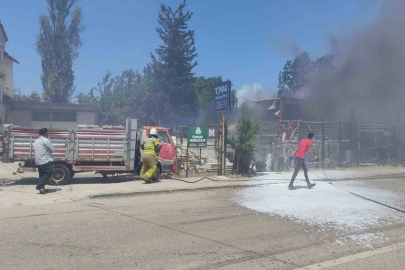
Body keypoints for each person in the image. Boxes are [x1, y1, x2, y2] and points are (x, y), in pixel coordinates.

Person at [33, 128, 55, 194]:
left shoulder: (36, 141)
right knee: (49, 172)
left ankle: (42, 189)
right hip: (44, 160)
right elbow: (52, 149)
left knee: (42, 175)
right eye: (47, 133)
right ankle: (39, 186)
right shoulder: (45, 140)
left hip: (38, 160)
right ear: (45, 133)